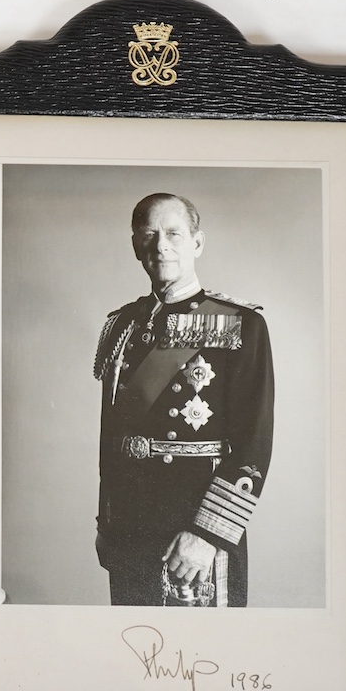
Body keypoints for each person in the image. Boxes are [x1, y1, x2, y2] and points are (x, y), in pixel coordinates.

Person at [92, 193, 274, 607]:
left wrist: (208, 534)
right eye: (149, 234)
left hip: (193, 526)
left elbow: (254, 442)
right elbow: (112, 436)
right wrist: (107, 523)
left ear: (197, 242)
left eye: (174, 233)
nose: (161, 246)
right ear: (136, 245)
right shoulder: (122, 325)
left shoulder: (238, 323)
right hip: (129, 529)